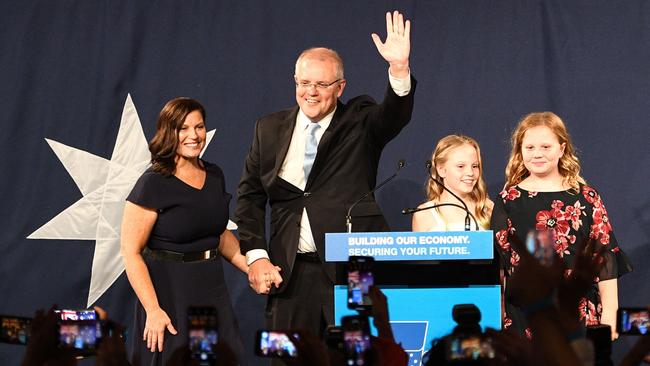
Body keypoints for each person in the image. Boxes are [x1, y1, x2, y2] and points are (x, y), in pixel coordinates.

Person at [234, 10, 416, 340]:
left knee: (357, 359)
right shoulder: (270, 128)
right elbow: (249, 199)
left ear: (340, 86)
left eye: (321, 84)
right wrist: (256, 257)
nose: (311, 92)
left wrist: (399, 69)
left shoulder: (360, 120)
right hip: (288, 275)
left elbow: (393, 115)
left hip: (354, 272)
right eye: (304, 83)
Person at [120, 97, 248, 365]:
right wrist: (153, 310)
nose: (194, 135)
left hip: (211, 290)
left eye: (199, 127)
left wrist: (254, 268)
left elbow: (218, 233)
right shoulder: (153, 183)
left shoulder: (215, 175)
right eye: (183, 128)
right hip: (168, 296)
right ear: (169, 132)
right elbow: (131, 252)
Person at [490, 111, 633, 340]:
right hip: (526, 315)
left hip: (581, 312)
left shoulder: (586, 197)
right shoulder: (508, 200)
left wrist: (611, 313)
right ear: (520, 151)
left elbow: (604, 256)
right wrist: (496, 317)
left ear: (562, 148)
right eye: (530, 148)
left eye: (545, 147)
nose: (537, 154)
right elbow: (500, 265)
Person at [412, 134, 493, 231]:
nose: (470, 173)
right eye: (460, 166)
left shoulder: (487, 208)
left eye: (475, 166)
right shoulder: (424, 214)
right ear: (441, 170)